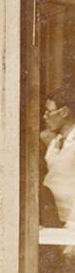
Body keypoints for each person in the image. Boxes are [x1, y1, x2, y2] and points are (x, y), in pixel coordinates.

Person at [43, 88, 75, 226]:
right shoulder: (55, 141)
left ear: (64, 112)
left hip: (70, 223)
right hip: (52, 218)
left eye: (48, 112)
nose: (45, 116)